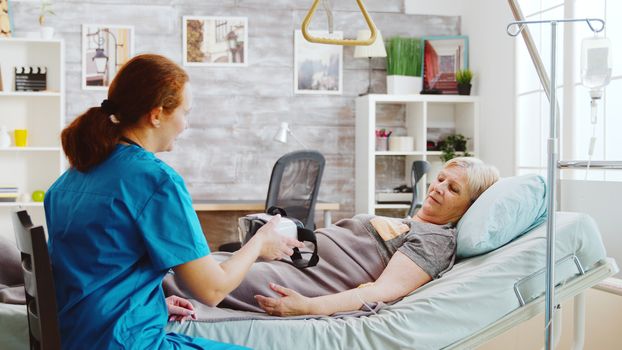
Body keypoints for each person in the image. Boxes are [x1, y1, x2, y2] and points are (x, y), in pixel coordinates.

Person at [44, 54, 303, 350]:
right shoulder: (155, 181)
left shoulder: (71, 179)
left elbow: (96, 272)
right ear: (156, 115)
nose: (186, 124)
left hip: (81, 337)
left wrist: (150, 304)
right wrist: (259, 242)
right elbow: (212, 289)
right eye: (184, 112)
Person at [204, 157, 499, 317]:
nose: (438, 188)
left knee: (195, 281)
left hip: (299, 282)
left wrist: (309, 306)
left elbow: (381, 291)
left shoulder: (436, 239)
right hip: (290, 262)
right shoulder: (409, 222)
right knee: (201, 267)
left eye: (454, 189)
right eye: (441, 179)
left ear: (468, 206)